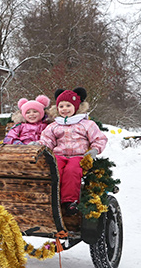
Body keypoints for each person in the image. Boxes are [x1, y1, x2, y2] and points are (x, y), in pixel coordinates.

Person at [38, 87, 107, 215]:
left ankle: (69, 201)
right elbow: (47, 140)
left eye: (68, 105)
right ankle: (51, 198)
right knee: (53, 169)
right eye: (61, 106)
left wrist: (94, 150)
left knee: (72, 171)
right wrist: (41, 146)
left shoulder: (86, 124)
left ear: (76, 107)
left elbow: (99, 138)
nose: (64, 109)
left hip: (79, 156)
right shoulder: (54, 125)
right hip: (59, 155)